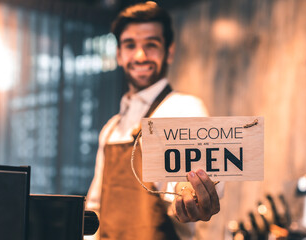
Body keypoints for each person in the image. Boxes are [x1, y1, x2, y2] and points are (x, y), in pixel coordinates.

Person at [86, 2, 223, 240]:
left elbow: (198, 181)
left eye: (151, 45)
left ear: (168, 51)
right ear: (119, 54)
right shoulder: (110, 130)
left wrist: (191, 194)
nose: (140, 55)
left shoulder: (185, 108)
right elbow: (95, 210)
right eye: (130, 45)